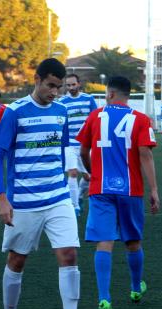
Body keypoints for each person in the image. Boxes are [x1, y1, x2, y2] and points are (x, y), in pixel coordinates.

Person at [0, 58, 100, 309]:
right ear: (37, 79)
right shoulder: (14, 113)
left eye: (58, 87)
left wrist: (78, 172)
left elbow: (64, 148)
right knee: (17, 260)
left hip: (57, 196)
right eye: (50, 85)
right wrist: (2, 198)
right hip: (23, 201)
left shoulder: (61, 111)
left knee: (69, 255)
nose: (55, 92)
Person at [76, 76, 159, 309]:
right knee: (133, 241)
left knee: (105, 240)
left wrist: (93, 172)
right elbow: (146, 155)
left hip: (100, 189)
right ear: (127, 94)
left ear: (110, 93)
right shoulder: (141, 120)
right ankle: (135, 288)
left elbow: (83, 150)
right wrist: (153, 189)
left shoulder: (95, 116)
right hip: (130, 189)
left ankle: (104, 298)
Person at [58, 74, 98, 216]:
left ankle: (80, 197)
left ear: (79, 84)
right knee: (73, 173)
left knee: (88, 177)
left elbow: (95, 120)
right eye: (68, 85)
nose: (70, 88)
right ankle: (74, 207)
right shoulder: (62, 102)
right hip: (70, 143)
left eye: (73, 85)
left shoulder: (88, 99)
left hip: (86, 144)